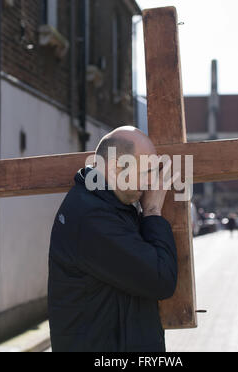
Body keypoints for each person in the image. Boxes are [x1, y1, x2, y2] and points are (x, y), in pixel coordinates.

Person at [48, 126, 178, 352]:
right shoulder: (92, 218)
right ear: (116, 168)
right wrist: (153, 211)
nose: (151, 184)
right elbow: (161, 280)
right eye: (147, 172)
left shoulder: (107, 205)